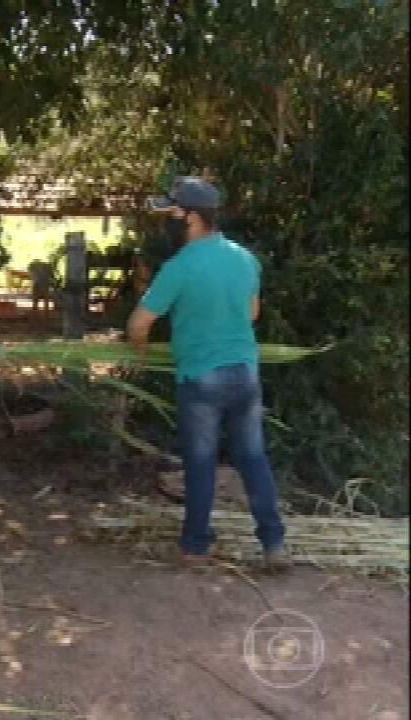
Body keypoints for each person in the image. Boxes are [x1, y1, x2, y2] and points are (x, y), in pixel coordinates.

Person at [127, 176, 289, 571]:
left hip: (201, 379)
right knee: (252, 457)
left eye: (172, 214)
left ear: (192, 218)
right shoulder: (244, 258)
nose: (167, 222)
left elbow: (139, 324)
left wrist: (143, 354)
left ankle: (196, 546)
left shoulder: (179, 268)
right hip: (245, 374)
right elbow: (252, 313)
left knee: (200, 462)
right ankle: (274, 544)